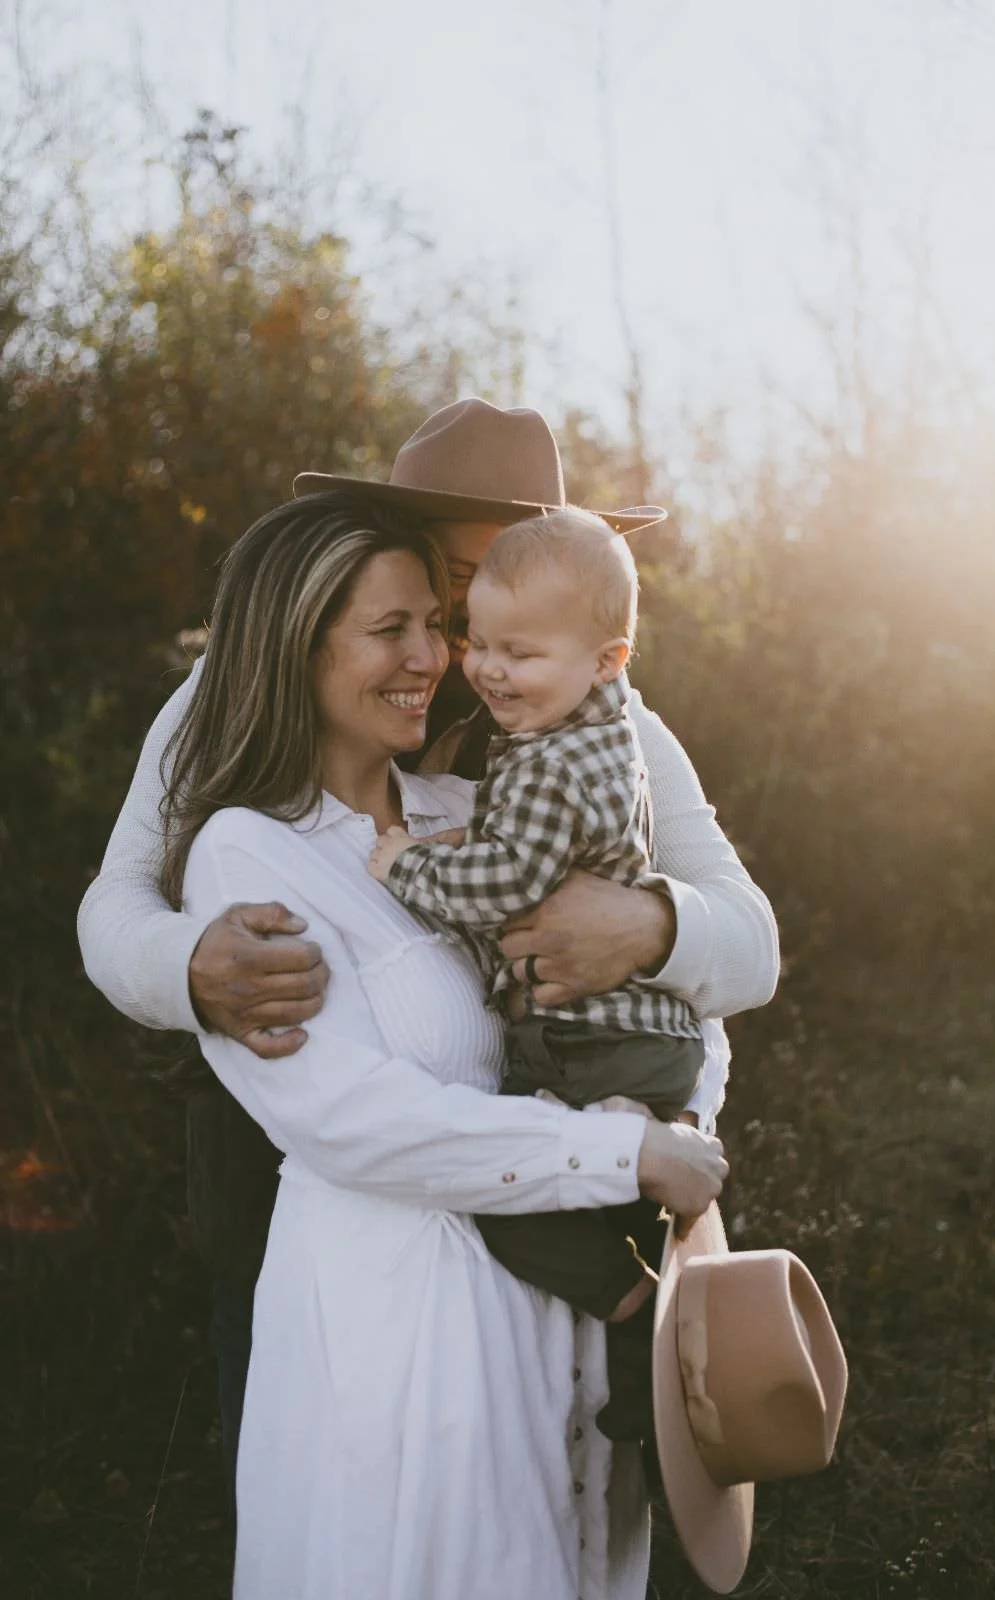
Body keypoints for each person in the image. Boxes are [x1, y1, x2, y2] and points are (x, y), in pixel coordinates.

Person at [77, 397, 780, 1502]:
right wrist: (187, 967)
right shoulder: (242, 681)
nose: (465, 616)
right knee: (320, 1464)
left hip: (540, 1148)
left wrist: (650, 925)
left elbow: (752, 941)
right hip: (298, 1148)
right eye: (454, 573)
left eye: (505, 567)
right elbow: (117, 893)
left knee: (552, 1472)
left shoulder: (611, 718)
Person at [163, 493, 730, 1598]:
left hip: (562, 1329)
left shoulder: (473, 806)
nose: (434, 658)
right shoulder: (249, 852)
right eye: (392, 630)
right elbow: (351, 1119)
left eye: (438, 624)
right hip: (398, 1340)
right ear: (297, 646)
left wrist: (680, 1113)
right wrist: (622, 1155)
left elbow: (676, 994)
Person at [369, 508, 705, 1443]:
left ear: (608, 659)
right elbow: (536, 847)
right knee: (608, 1205)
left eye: (520, 653)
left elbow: (511, 880)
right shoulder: (597, 730)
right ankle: (656, 1380)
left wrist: (406, 865)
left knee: (511, 1202)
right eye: (476, 639)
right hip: (639, 1038)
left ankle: (642, 1311)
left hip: (592, 1041)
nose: (486, 669)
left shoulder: (549, 761)